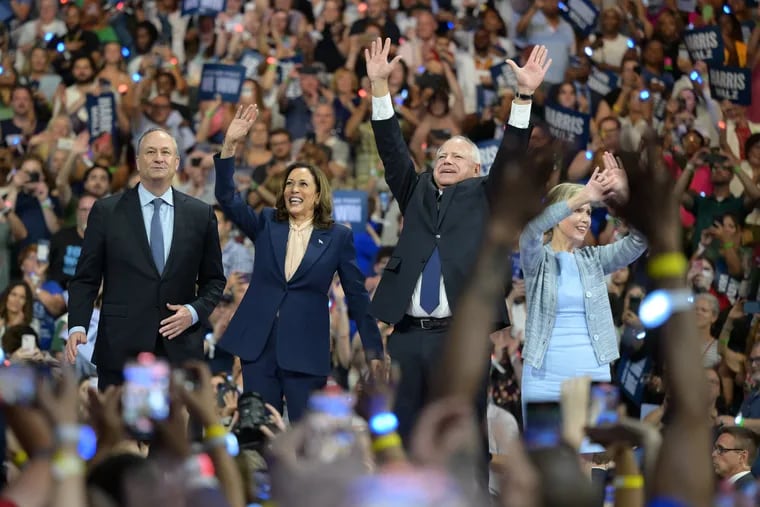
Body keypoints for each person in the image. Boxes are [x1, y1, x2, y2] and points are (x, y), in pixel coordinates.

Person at [364, 39, 552, 441]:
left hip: (459, 339)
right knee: (403, 436)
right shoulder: (414, 190)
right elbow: (392, 149)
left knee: (462, 437)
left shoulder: (486, 193)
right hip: (407, 338)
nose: (446, 161)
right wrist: (380, 88)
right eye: (441, 156)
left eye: (456, 157)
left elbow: (513, 153)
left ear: (476, 168)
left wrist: (524, 96)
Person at [214, 105, 383, 422]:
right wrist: (230, 146)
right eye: (289, 183)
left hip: (305, 349)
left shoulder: (337, 237)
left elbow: (358, 296)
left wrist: (374, 350)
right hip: (258, 345)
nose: (294, 189)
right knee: (257, 430)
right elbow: (228, 198)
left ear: (318, 195)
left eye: (303, 184)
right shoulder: (267, 223)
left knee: (306, 437)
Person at [65, 128, 225, 389]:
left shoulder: (201, 214)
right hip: (120, 347)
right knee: (118, 429)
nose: (158, 158)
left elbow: (214, 280)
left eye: (165, 152)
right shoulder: (106, 211)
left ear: (176, 163)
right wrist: (77, 325)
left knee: (179, 431)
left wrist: (193, 312)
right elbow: (85, 278)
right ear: (138, 162)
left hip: (180, 346)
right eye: (150, 152)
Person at [519, 157, 646, 411]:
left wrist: (623, 199)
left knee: (586, 452)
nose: (585, 218)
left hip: (593, 372)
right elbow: (531, 229)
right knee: (545, 451)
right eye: (578, 210)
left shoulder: (594, 259)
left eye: (588, 211)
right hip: (543, 377)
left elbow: (640, 240)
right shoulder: (537, 258)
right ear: (556, 215)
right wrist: (584, 194)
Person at [712, 426, 758, 491]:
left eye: (721, 449)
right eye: (715, 448)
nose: (713, 454)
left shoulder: (748, 492)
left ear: (742, 457)